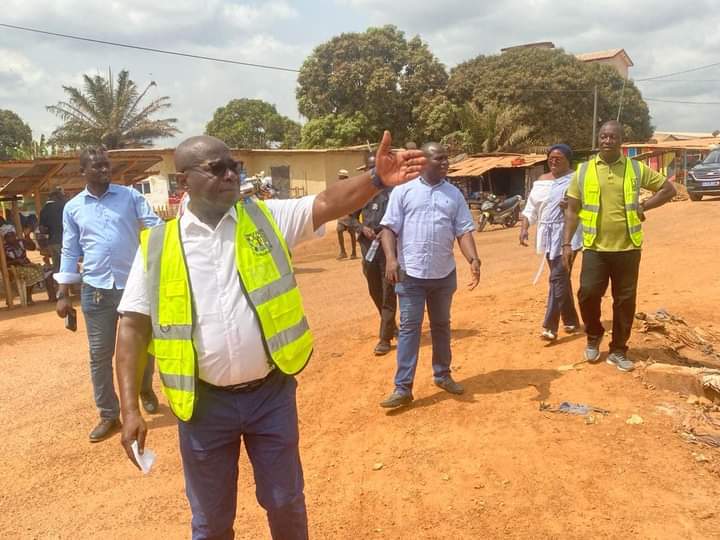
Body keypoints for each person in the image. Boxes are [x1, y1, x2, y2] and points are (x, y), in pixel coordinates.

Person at [115, 132, 426, 540]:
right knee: (211, 521)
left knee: (285, 502)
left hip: (270, 396)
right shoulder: (157, 247)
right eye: (217, 168)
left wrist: (377, 180)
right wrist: (129, 408)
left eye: (234, 166)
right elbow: (131, 329)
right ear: (183, 180)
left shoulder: (264, 218)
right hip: (203, 406)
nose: (231, 174)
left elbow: (326, 203)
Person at [54, 146, 162, 443]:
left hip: (134, 285)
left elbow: (155, 227)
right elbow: (70, 249)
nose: (105, 170)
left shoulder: (130, 196)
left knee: (141, 344)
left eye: (107, 166)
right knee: (99, 354)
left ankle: (144, 390)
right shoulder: (73, 208)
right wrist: (63, 291)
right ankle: (108, 414)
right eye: (98, 167)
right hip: (96, 291)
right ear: (83, 172)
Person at [563, 121, 676, 372]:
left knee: (624, 301)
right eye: (603, 136)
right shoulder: (583, 171)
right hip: (595, 248)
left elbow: (668, 189)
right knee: (588, 294)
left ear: (621, 141)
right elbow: (572, 211)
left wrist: (644, 206)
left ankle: (618, 350)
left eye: (612, 136)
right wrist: (566, 243)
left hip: (627, 248)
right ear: (598, 139)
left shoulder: (635, 169)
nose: (607, 140)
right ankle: (594, 335)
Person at [379, 142, 482, 409]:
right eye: (440, 159)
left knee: (441, 326)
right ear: (424, 162)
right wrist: (391, 260)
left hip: (443, 274)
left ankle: (442, 375)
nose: (446, 163)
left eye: (447, 159)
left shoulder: (454, 195)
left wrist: (473, 258)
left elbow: (463, 231)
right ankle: (403, 388)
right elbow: (389, 228)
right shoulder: (403, 190)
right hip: (410, 273)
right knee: (410, 330)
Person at [520, 144, 582, 341]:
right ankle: (571, 320)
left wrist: (572, 206)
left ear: (568, 161)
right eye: (551, 158)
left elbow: (588, 203)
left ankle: (550, 326)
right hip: (547, 235)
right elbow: (531, 208)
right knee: (561, 279)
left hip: (569, 235)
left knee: (557, 277)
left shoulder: (576, 180)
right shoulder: (541, 181)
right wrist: (524, 228)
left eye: (559, 158)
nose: (554, 161)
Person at [357, 155, 397, 355]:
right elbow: (348, 217)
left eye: (376, 167)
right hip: (368, 250)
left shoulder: (396, 192)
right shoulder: (361, 194)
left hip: (388, 251)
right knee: (375, 290)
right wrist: (362, 228)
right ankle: (390, 325)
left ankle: (385, 338)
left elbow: (403, 218)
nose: (373, 171)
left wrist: (387, 231)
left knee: (389, 291)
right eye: (370, 168)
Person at [1, 224, 52, 304]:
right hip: (13, 268)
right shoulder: (3, 248)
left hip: (27, 265)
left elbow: (32, 247)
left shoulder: (20, 242)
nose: (11, 238)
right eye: (8, 236)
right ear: (5, 238)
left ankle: (52, 296)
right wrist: (16, 261)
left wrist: (27, 236)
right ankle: (28, 298)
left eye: (13, 235)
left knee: (47, 271)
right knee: (31, 273)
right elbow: (3, 264)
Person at [39, 186, 66, 274]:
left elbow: (42, 229)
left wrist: (51, 229)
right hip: (65, 241)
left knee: (57, 267)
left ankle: (59, 286)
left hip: (52, 242)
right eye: (61, 195)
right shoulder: (64, 205)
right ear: (57, 195)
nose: (63, 196)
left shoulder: (45, 209)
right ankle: (72, 287)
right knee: (68, 265)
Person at [335, 169, 360, 259]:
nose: (340, 179)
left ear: (346, 178)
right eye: (339, 177)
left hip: (350, 213)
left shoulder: (351, 187)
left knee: (352, 232)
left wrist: (353, 211)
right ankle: (343, 252)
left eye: (342, 177)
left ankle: (354, 252)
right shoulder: (338, 188)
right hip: (342, 215)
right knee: (339, 230)